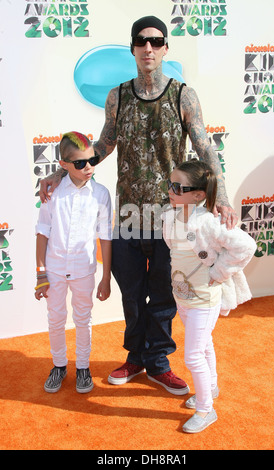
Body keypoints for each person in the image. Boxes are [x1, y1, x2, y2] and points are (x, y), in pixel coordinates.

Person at [39, 16, 238, 395]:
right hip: (129, 215)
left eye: (156, 41)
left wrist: (222, 196)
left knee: (164, 292)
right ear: (133, 48)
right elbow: (101, 147)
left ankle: (158, 362)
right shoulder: (118, 96)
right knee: (131, 291)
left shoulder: (183, 95)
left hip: (170, 219)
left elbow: (205, 148)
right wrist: (61, 173)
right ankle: (135, 357)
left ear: (165, 48)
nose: (149, 48)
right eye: (142, 41)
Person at [162, 159, 256, 432]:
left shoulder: (207, 223)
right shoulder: (170, 216)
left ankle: (206, 409)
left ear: (198, 195)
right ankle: (211, 386)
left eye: (177, 187)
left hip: (205, 299)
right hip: (183, 297)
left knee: (192, 355)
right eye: (169, 184)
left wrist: (219, 273)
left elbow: (245, 246)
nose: (170, 190)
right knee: (203, 346)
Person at [35, 132, 112, 394]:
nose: (88, 167)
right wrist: (40, 274)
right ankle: (58, 365)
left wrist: (106, 277)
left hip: (84, 271)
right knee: (55, 319)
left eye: (92, 160)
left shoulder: (101, 194)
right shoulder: (52, 193)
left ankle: (82, 367)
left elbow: (105, 238)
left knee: (83, 319)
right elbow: (42, 232)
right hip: (54, 270)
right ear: (64, 164)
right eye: (80, 163)